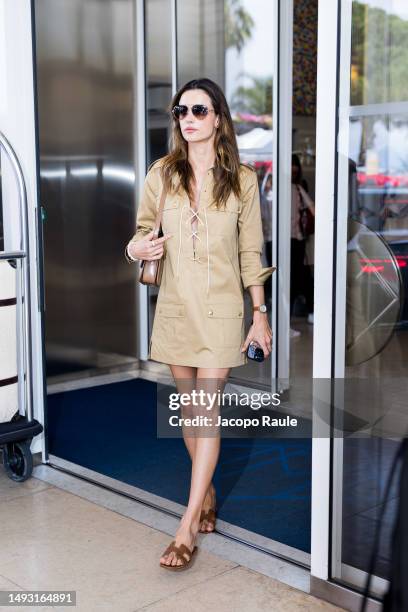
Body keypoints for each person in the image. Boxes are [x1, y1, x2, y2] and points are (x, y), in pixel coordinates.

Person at [124, 78, 274, 570]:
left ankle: (186, 526)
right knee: (191, 414)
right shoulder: (161, 174)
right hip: (174, 310)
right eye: (181, 110)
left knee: (204, 412)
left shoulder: (243, 180)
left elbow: (251, 252)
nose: (188, 118)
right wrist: (136, 249)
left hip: (223, 312)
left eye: (199, 109)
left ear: (218, 119)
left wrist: (260, 315)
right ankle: (206, 493)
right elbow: (142, 233)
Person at [290, 154, 315, 336]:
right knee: (293, 280)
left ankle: (287, 320)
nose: (293, 168)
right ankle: (285, 321)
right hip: (281, 240)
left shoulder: (297, 188)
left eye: (295, 165)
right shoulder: (279, 187)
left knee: (297, 279)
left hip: (296, 239)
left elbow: (312, 208)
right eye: (291, 165)